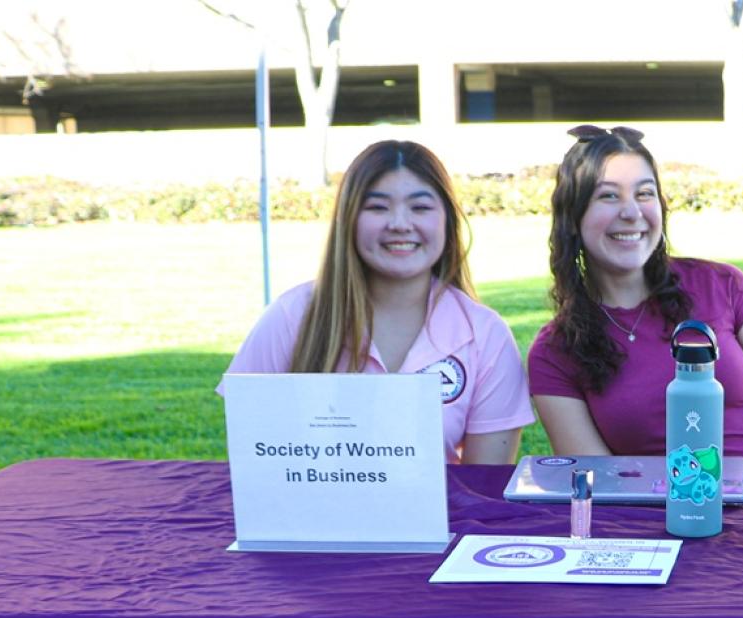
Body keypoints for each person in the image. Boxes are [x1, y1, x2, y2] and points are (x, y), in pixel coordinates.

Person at [222, 140, 532, 464]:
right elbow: (253, 466)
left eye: (420, 207)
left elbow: (482, 489)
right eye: (377, 207)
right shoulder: (291, 317)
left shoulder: (485, 335)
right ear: (349, 220)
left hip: (446, 516)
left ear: (448, 221)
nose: (399, 223)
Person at [526, 125, 743, 469]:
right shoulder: (554, 353)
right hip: (649, 519)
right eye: (608, 196)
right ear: (572, 218)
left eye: (644, 194)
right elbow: (601, 481)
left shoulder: (724, 287)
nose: (631, 212)